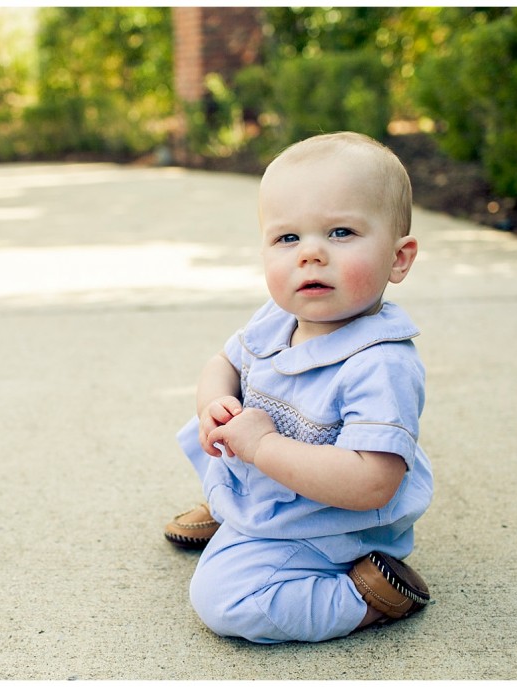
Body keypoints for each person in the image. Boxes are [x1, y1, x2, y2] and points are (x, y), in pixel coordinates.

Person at [165, 131, 433, 643]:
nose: (310, 254)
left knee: (224, 600)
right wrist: (215, 404)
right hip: (278, 482)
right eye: (288, 238)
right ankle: (235, 513)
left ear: (398, 259)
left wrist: (263, 446)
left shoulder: (379, 364)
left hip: (329, 519)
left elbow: (371, 484)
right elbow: (224, 361)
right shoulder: (278, 318)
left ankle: (366, 596)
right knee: (211, 425)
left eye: (340, 232)